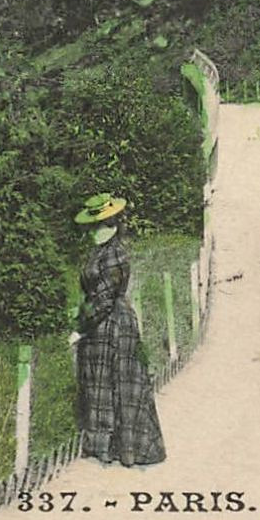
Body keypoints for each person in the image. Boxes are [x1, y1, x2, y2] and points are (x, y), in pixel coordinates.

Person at [73, 193, 165, 467]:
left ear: (109, 223)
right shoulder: (102, 250)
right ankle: (108, 447)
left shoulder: (113, 253)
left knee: (120, 385)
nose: (93, 230)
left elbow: (104, 298)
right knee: (104, 384)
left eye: (97, 224)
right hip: (102, 326)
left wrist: (80, 328)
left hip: (113, 325)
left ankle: (127, 449)